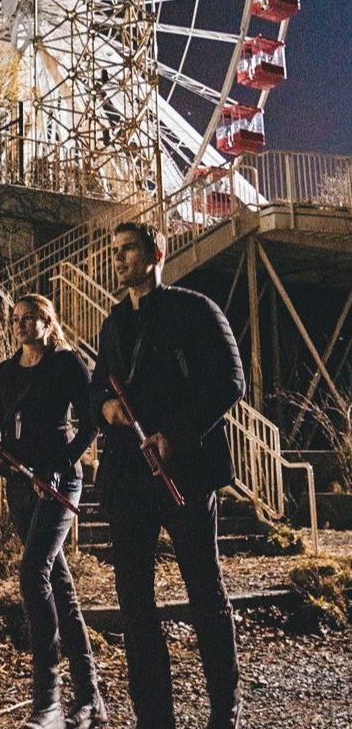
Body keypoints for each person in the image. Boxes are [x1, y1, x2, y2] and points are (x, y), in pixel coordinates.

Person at [90, 222, 245, 729]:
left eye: (129, 249)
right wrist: (106, 408)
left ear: (156, 254)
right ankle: (154, 717)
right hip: (128, 479)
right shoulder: (114, 322)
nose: (118, 259)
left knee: (205, 593)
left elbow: (230, 381)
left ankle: (224, 711)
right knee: (135, 604)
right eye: (115, 251)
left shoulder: (196, 310)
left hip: (184, 474)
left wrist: (174, 435)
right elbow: (97, 388)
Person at [0, 294, 108, 729]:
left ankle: (48, 702)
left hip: (58, 481)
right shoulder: (5, 371)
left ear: (48, 321)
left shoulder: (66, 363)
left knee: (32, 572)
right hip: (21, 486)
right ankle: (90, 698)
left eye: (30, 317)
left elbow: (92, 421)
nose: (21, 325)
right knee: (59, 585)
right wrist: (2, 461)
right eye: (16, 319)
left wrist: (62, 463)